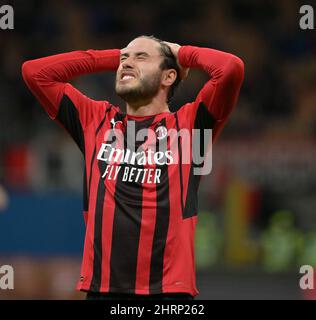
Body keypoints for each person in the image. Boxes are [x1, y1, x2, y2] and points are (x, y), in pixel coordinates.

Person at [22, 35, 244, 300]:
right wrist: (116, 56)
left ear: (169, 77)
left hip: (168, 293)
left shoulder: (191, 125)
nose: (126, 63)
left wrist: (181, 53)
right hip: (102, 290)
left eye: (141, 57)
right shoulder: (95, 120)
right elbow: (35, 73)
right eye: (123, 59)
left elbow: (230, 68)